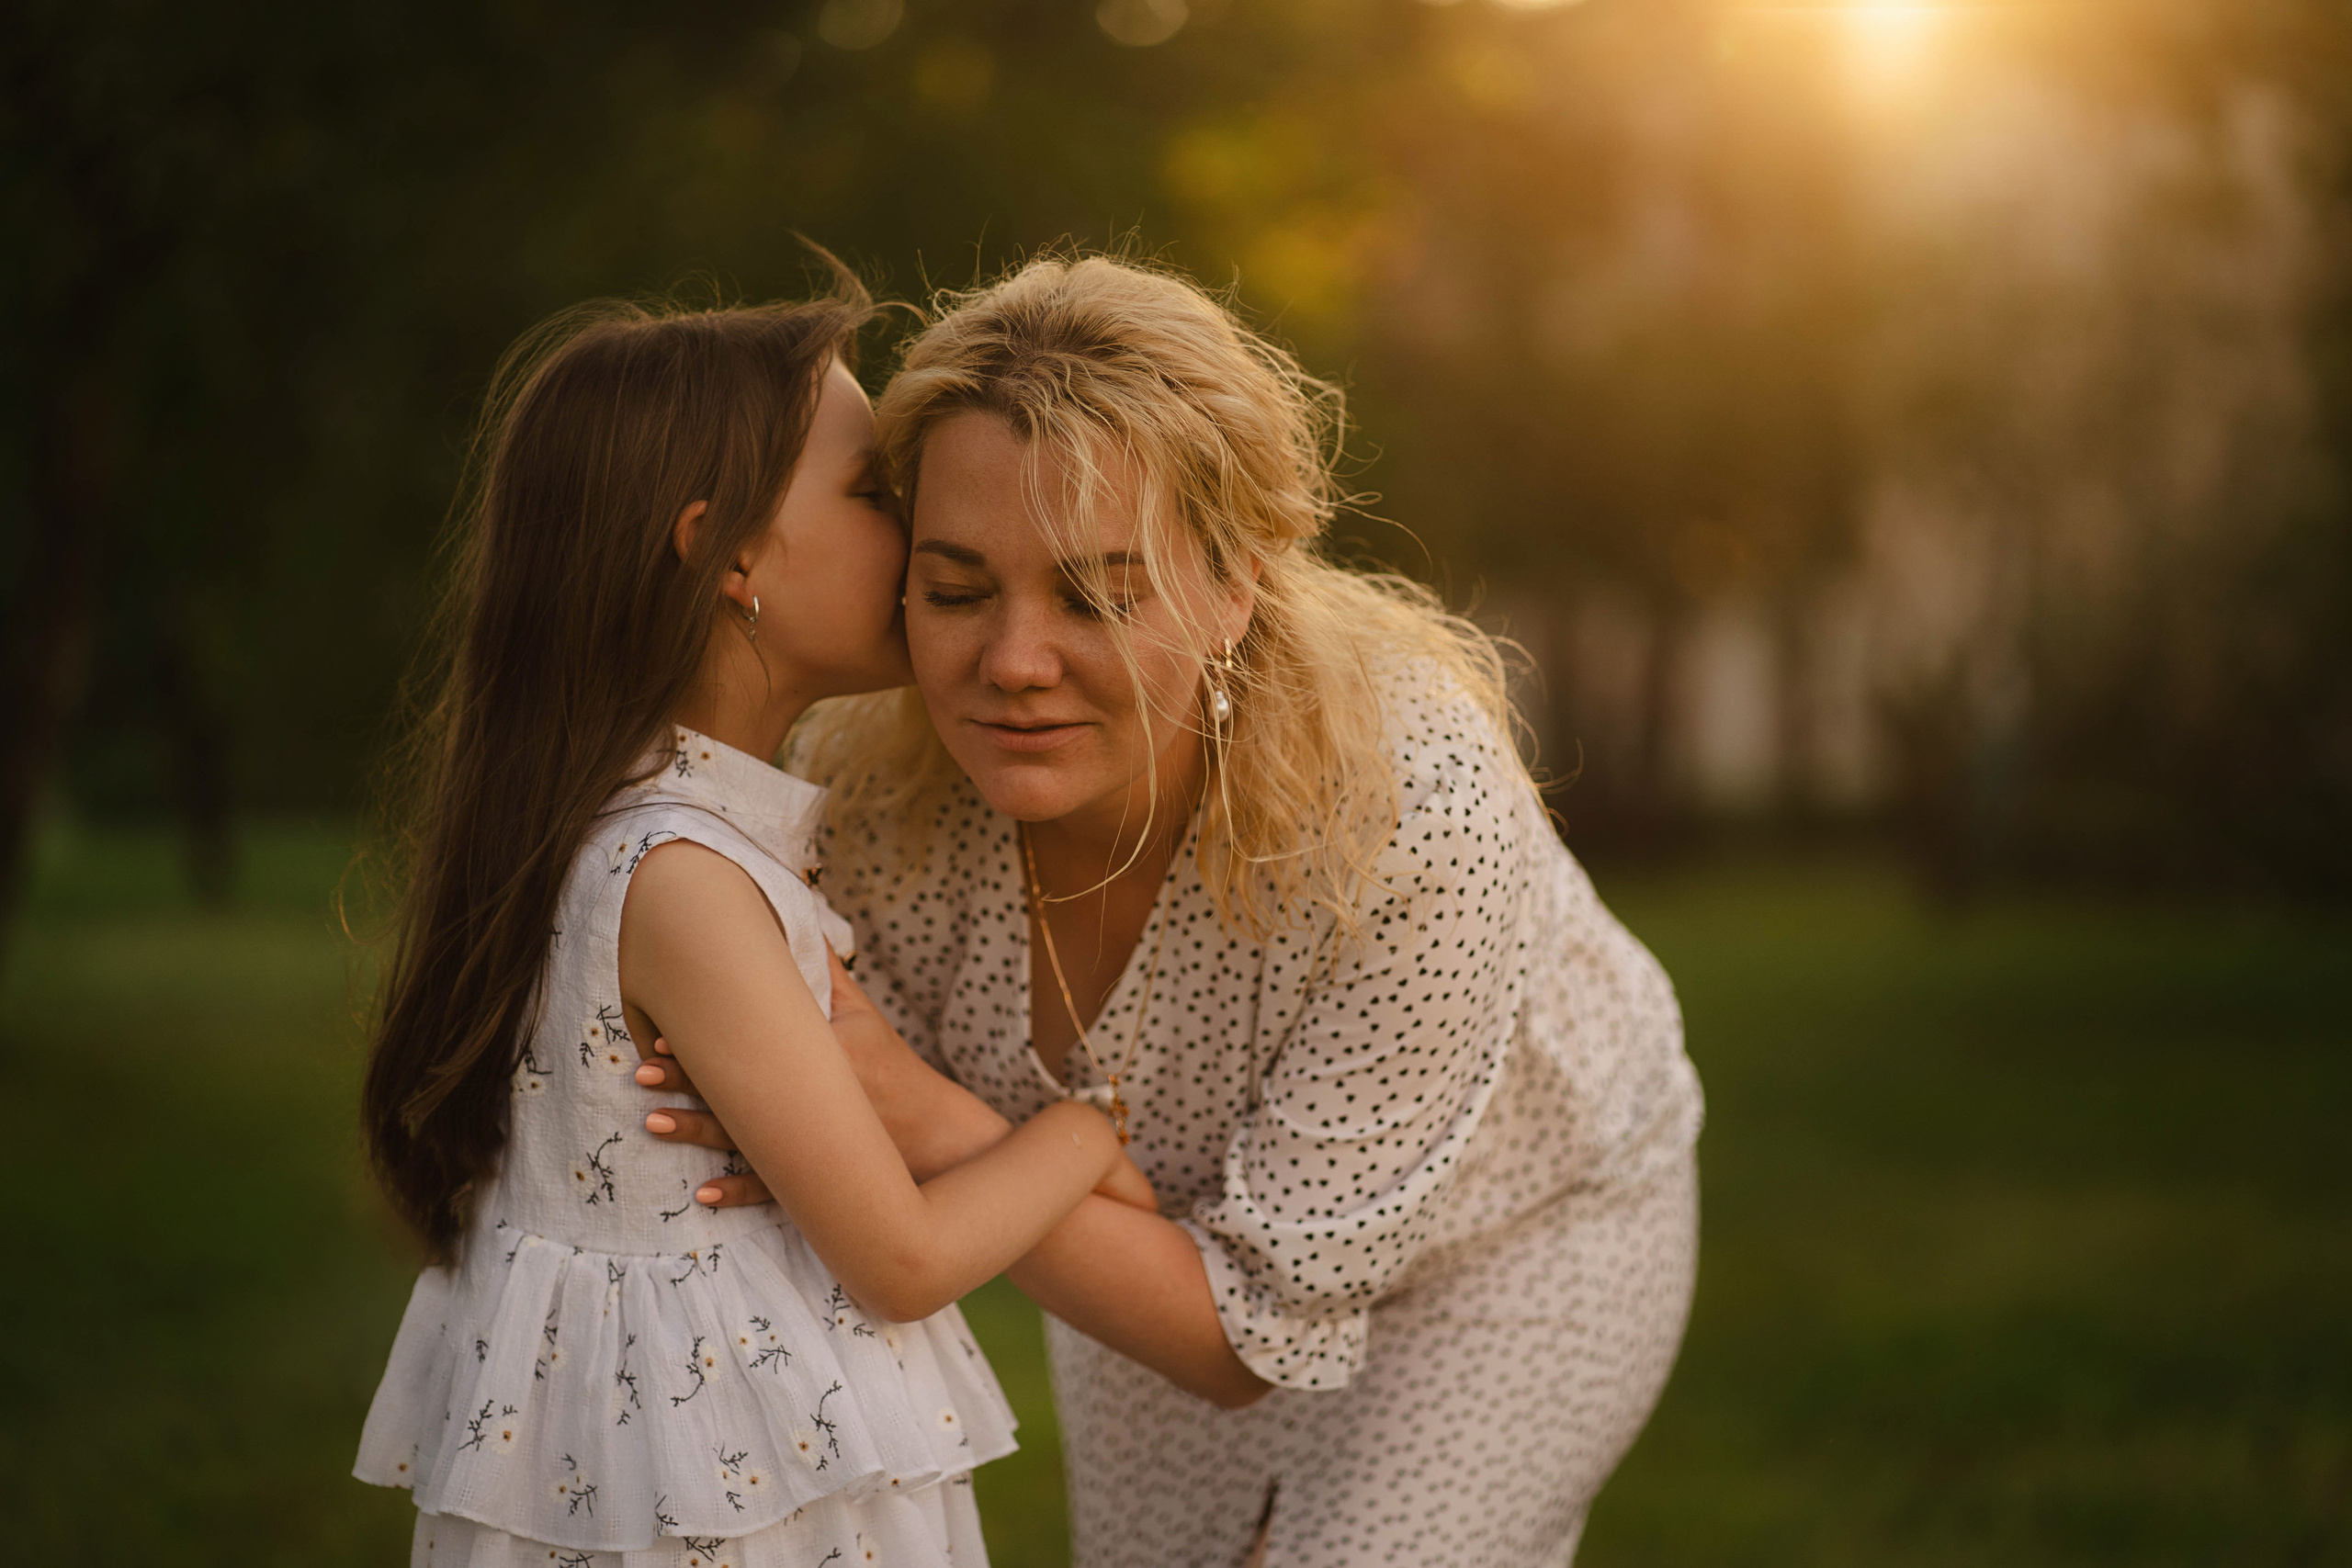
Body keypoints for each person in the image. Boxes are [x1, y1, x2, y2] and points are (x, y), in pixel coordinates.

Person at [637, 255, 1705, 1567]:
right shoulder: (861, 789)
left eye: (1097, 595)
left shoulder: (1410, 813)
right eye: (960, 589)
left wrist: (915, 1112)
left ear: (1235, 584)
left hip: (1512, 1242)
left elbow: (1238, 1340)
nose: (1015, 664)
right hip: (1131, 1255)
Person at [352, 277, 1154, 1568]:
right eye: (870, 495)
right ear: (724, 553)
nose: (916, 534)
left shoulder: (642, 840)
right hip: (735, 1504)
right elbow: (900, 1258)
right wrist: (1085, 1128)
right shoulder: (680, 878)